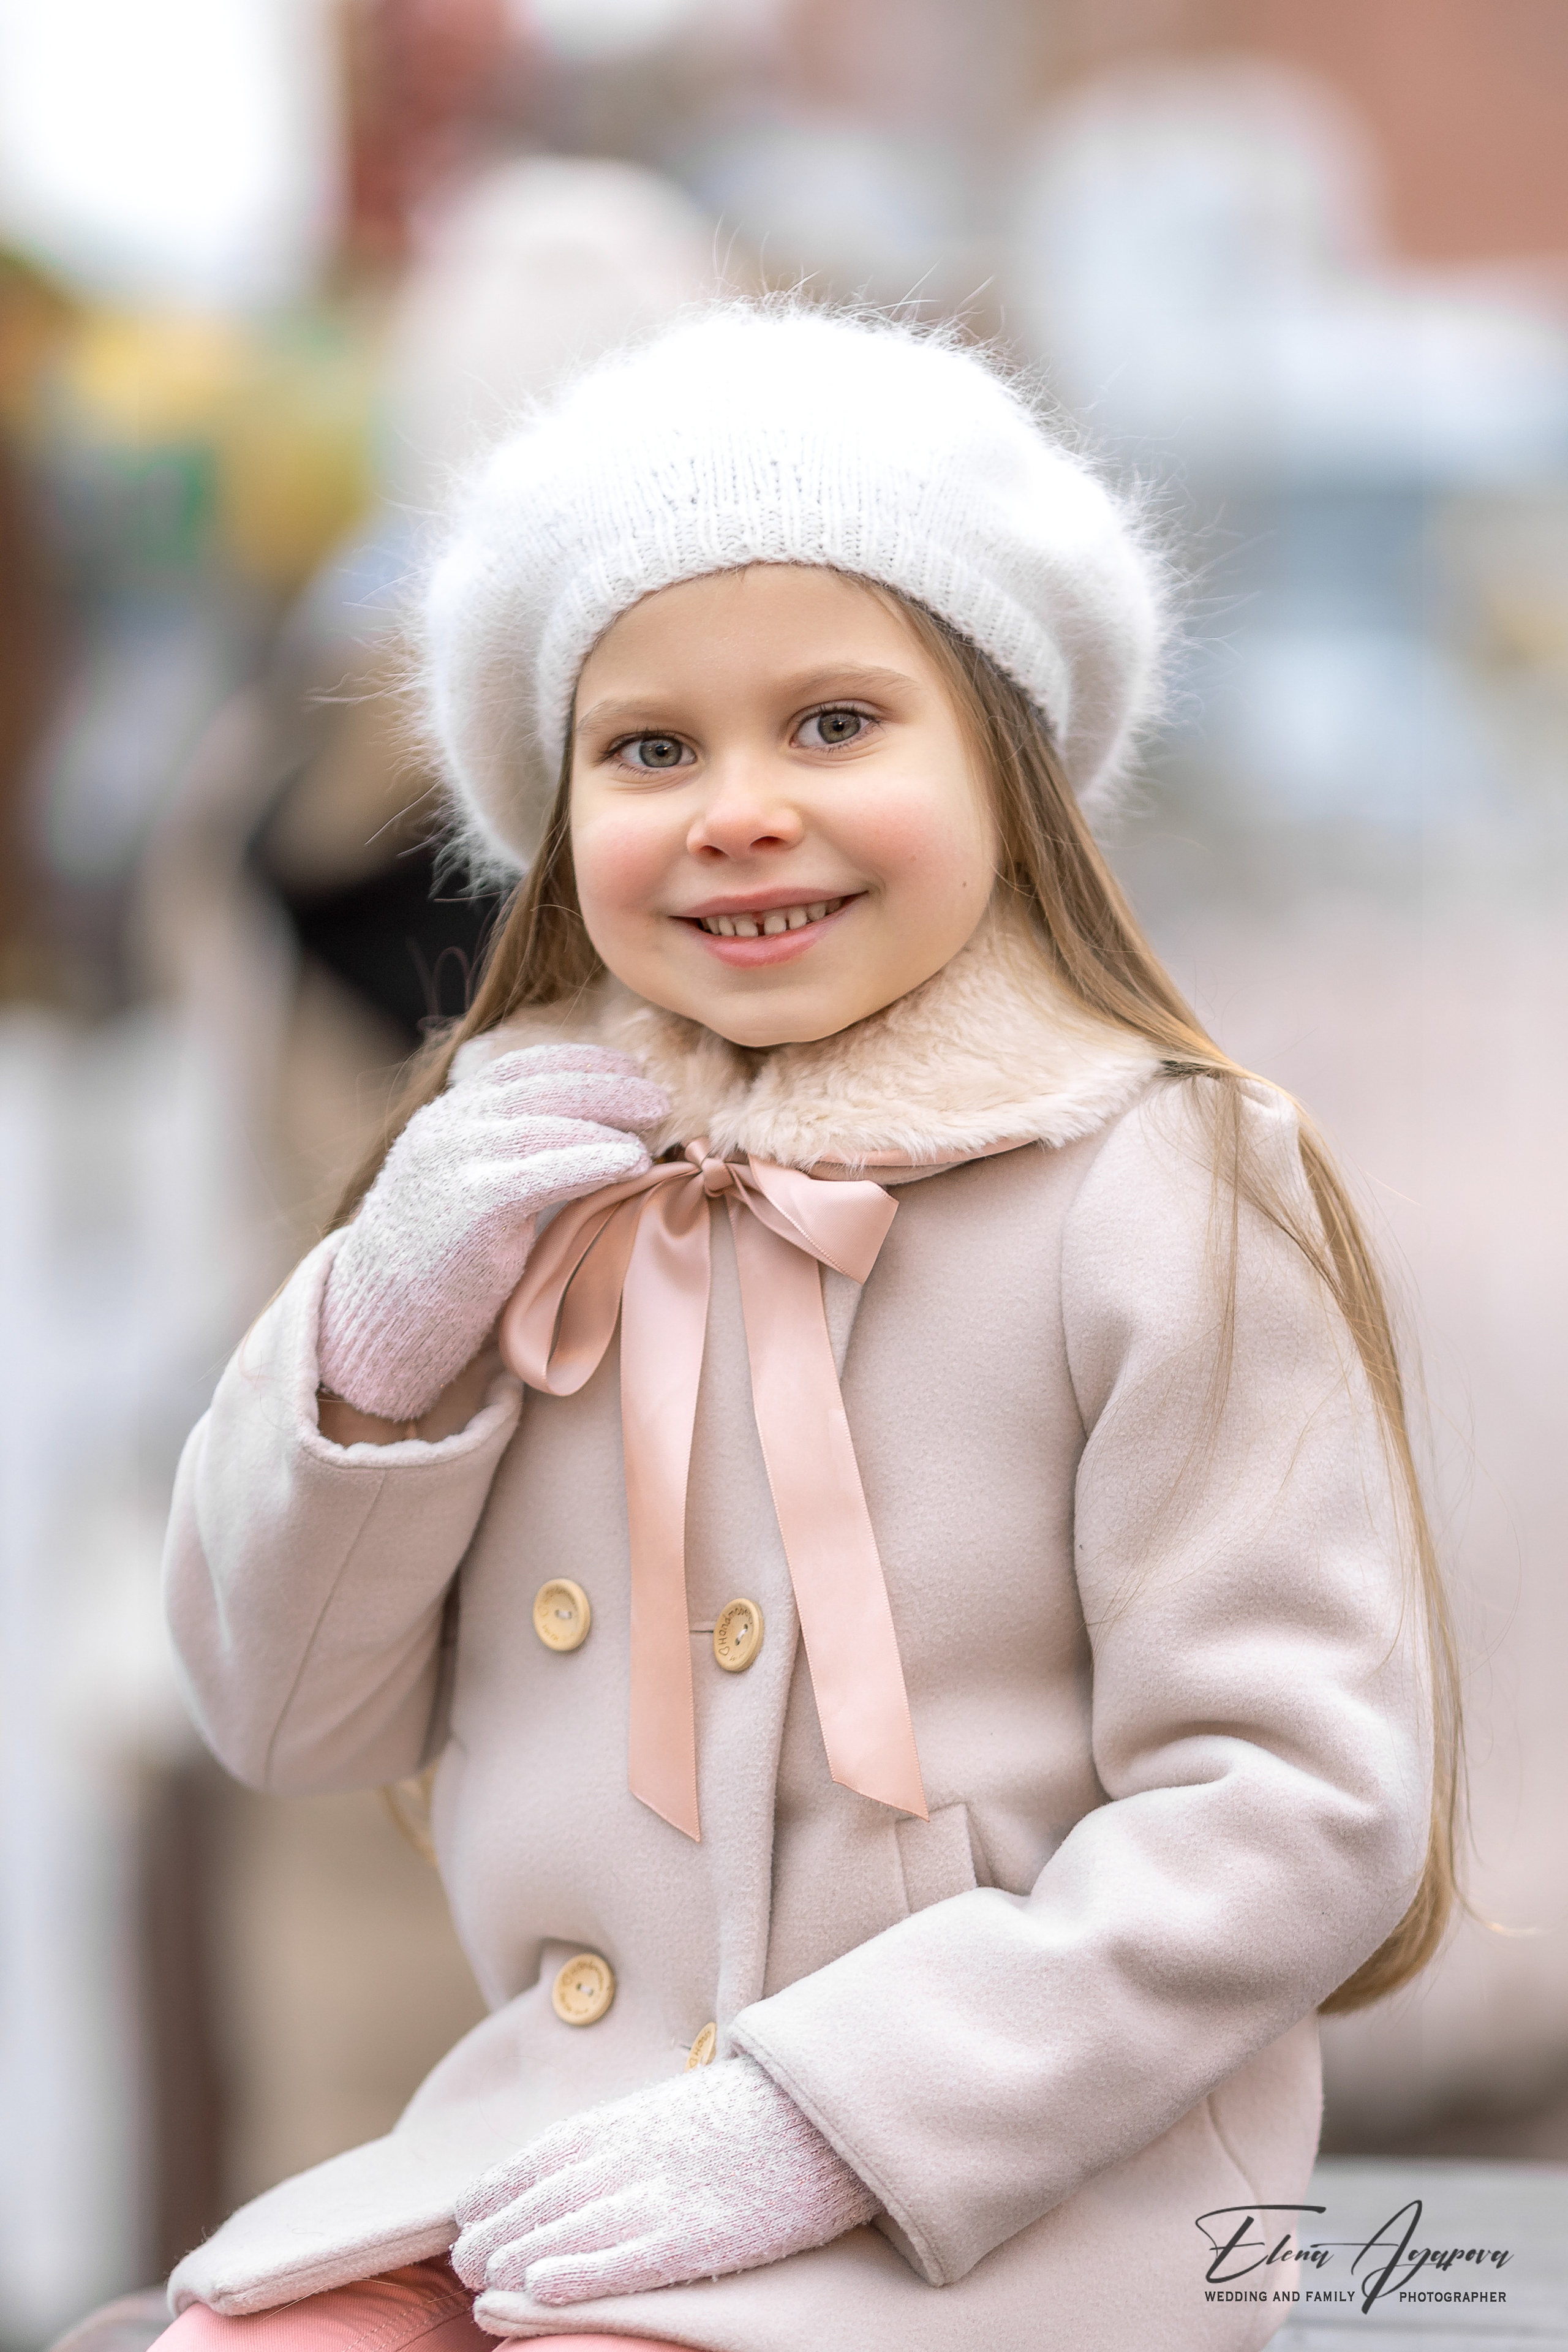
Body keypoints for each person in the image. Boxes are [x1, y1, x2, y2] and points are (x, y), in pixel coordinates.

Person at [155, 305, 1458, 2352]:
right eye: (651, 748)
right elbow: (280, 1713)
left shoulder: (1162, 1183)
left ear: (1009, 767)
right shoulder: (521, 1187)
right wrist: (382, 1330)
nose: (738, 807)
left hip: (1018, 2192)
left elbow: (1295, 1807)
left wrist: (830, 2123)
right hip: (561, 2144)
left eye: (837, 724)